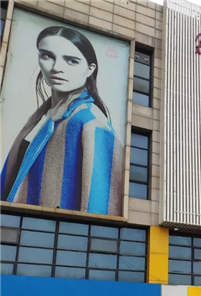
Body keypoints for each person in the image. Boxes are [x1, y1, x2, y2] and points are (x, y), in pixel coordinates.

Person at [1, 26, 123, 215]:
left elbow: (102, 208)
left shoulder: (91, 123)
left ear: (90, 69)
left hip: (47, 230)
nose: (56, 67)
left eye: (71, 61)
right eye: (47, 56)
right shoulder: (39, 118)